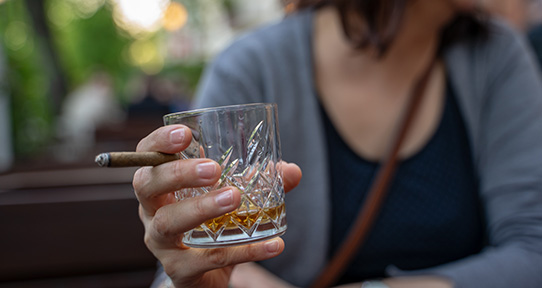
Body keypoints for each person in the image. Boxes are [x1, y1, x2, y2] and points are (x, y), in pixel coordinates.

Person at [132, 0, 542, 287]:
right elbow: (186, 268)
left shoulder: (496, 56)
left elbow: (533, 248)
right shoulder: (251, 69)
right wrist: (192, 276)